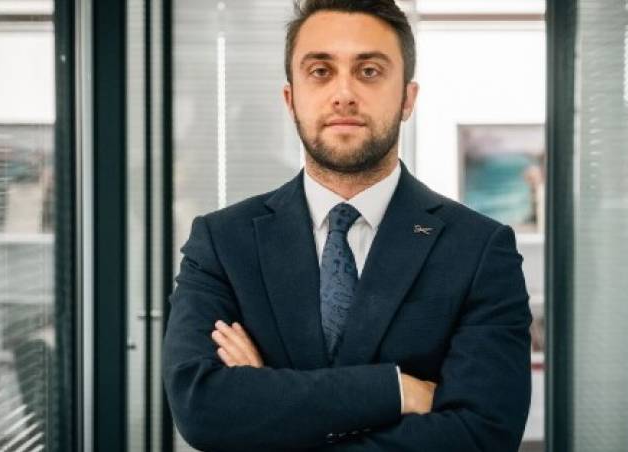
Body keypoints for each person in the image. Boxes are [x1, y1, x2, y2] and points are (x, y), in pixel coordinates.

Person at [162, 1, 532, 450]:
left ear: (408, 98)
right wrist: (396, 390)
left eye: (369, 71)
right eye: (320, 71)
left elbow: (483, 436)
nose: (343, 94)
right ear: (290, 99)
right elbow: (202, 408)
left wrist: (268, 412)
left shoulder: (479, 249)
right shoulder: (223, 243)